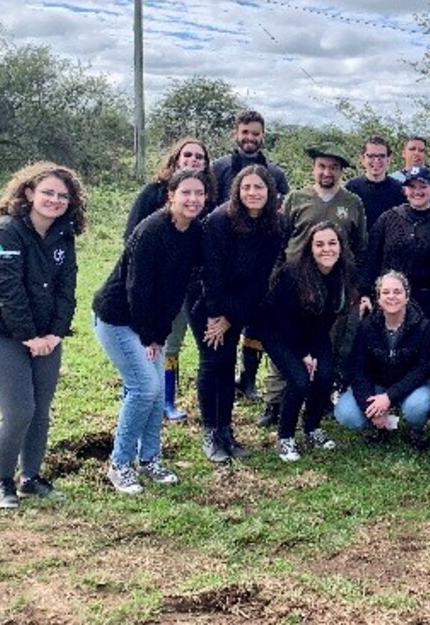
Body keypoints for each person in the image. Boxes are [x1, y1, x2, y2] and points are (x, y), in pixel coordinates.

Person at [0, 163, 87, 508]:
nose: (55, 200)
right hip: (0, 335)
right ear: (28, 194)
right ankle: (2, 482)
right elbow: (7, 290)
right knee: (19, 411)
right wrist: (29, 336)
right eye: (48, 193)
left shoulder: (63, 236)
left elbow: (67, 287)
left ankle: (30, 478)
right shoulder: (5, 233)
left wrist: (54, 333)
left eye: (62, 196)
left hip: (47, 338)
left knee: (40, 411)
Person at [94, 170, 207, 495]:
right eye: (185, 192)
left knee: (156, 392)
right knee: (144, 387)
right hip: (118, 318)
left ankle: (150, 459)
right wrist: (150, 337)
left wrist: (159, 331)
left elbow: (177, 288)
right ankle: (119, 465)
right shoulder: (151, 231)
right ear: (171, 195)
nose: (193, 199)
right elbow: (137, 289)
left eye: (199, 194)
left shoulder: (194, 232)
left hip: (152, 323)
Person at [258, 142, 366, 426]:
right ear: (314, 168)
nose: (327, 172)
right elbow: (280, 240)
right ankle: (274, 403)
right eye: (322, 166)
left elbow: (359, 246)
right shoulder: (296, 198)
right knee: (288, 345)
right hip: (294, 284)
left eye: (333, 167)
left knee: (326, 344)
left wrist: (355, 286)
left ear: (341, 171)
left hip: (332, 287)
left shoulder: (352, 203)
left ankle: (318, 402)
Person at [190, 165, 288, 463]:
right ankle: (210, 432)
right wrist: (216, 315)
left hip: (239, 305)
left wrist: (231, 318)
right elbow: (212, 275)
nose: (253, 193)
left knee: (228, 361)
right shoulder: (220, 221)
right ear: (237, 190)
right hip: (205, 301)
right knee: (213, 363)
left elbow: (261, 279)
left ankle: (226, 430)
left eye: (259, 187)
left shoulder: (275, 224)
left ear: (269, 190)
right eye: (246, 187)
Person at [124, 136, 217, 421]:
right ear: (176, 159)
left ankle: (174, 400)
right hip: (154, 284)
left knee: (180, 343)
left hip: (190, 284)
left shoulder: (208, 199)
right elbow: (131, 237)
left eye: (199, 157)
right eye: (187, 155)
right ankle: (160, 400)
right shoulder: (153, 193)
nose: (193, 160)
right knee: (158, 341)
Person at [263, 222, 362, 462]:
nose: (326, 249)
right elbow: (281, 318)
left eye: (332, 243)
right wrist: (304, 353)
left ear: (341, 246)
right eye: (319, 244)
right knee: (299, 379)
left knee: (325, 375)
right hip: (278, 332)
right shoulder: (293, 272)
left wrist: (316, 351)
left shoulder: (344, 272)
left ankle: (312, 428)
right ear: (310, 248)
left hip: (314, 333)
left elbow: (325, 318)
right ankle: (285, 437)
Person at [334, 270, 430, 450]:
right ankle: (378, 425)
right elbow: (358, 370)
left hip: (411, 387)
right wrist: (371, 406)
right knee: (347, 414)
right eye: (386, 292)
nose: (392, 297)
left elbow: (422, 369)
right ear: (378, 299)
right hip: (377, 385)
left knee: (417, 407)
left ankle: (416, 430)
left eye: (397, 292)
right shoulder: (367, 325)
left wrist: (389, 397)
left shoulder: (423, 326)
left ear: (407, 297)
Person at [365, 165, 430, 327]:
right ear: (405, 191)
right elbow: (372, 260)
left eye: (423, 186)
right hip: (391, 302)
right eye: (412, 187)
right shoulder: (388, 219)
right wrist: (368, 294)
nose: (417, 191)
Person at [211, 108, 291, 204]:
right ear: (235, 134)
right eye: (245, 132)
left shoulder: (276, 174)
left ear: (263, 135)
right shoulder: (218, 168)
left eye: (255, 134)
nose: (250, 138)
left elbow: (283, 210)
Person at [345, 135, 405, 227]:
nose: (376, 160)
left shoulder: (399, 189)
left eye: (381, 156)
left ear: (389, 159)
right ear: (362, 158)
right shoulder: (351, 188)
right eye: (371, 156)